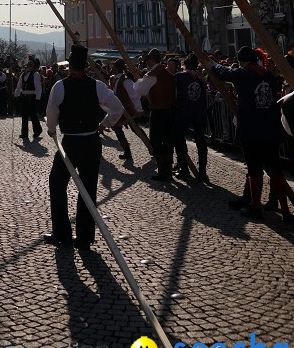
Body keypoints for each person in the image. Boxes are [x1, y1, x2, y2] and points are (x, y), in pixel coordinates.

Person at [44, 44, 123, 248]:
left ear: (70, 66)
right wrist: (104, 124)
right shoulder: (97, 86)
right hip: (90, 142)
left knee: (57, 183)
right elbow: (117, 108)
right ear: (86, 66)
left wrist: (51, 129)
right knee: (88, 188)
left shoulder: (60, 86)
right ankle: (85, 237)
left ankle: (62, 233)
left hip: (70, 143)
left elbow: (51, 113)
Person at [202, 45, 293, 223]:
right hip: (270, 129)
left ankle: (256, 207)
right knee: (275, 170)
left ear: (242, 61)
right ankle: (285, 209)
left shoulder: (243, 74)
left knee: (254, 170)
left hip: (252, 129)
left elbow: (225, 72)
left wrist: (211, 64)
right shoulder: (267, 74)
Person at [135, 49, 177, 181]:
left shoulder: (151, 75)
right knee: (168, 141)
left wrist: (139, 79)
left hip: (158, 112)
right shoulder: (169, 74)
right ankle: (168, 170)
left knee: (156, 141)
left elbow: (139, 91)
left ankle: (162, 170)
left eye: (147, 61)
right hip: (170, 111)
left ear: (152, 60)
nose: (146, 63)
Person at [173, 55, 209, 183]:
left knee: (179, 139)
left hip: (184, 113)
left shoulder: (179, 77)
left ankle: (184, 170)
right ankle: (203, 172)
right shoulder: (200, 81)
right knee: (201, 142)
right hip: (199, 114)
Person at [14, 57, 42, 141]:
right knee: (24, 115)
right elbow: (19, 86)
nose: (28, 65)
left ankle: (37, 130)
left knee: (33, 115)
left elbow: (38, 88)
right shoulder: (23, 74)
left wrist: (37, 98)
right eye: (28, 64)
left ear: (33, 66)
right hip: (24, 97)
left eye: (30, 64)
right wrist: (16, 95)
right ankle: (24, 133)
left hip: (32, 97)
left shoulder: (35, 74)